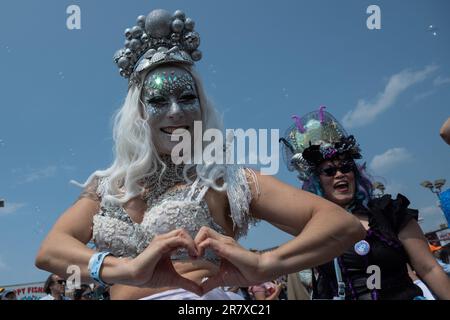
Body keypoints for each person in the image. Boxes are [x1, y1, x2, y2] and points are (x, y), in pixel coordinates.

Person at [35, 9, 364, 300]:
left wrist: (265, 264)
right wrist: (128, 269)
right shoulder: (107, 188)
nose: (175, 112)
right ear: (139, 112)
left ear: (201, 108)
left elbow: (341, 225)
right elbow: (50, 251)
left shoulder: (225, 179)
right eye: (159, 101)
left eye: (186, 97)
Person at [280, 106, 450, 300]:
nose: (340, 174)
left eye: (346, 167)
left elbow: (429, 269)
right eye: (329, 171)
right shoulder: (310, 224)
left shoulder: (389, 212)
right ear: (316, 181)